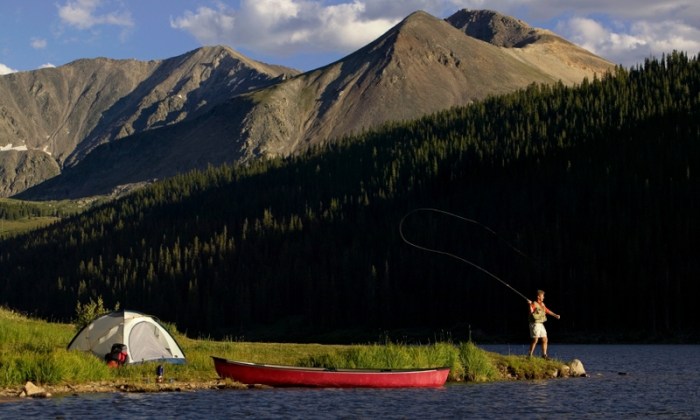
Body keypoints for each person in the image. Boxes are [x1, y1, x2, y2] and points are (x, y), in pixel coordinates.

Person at [527, 290, 560, 359]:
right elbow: (531, 312)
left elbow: (547, 311)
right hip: (534, 324)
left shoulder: (542, 304)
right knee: (535, 339)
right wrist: (529, 304)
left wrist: (555, 315)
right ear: (538, 297)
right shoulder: (533, 303)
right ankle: (529, 355)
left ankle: (544, 355)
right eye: (542, 296)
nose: (544, 297)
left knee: (545, 339)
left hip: (541, 324)